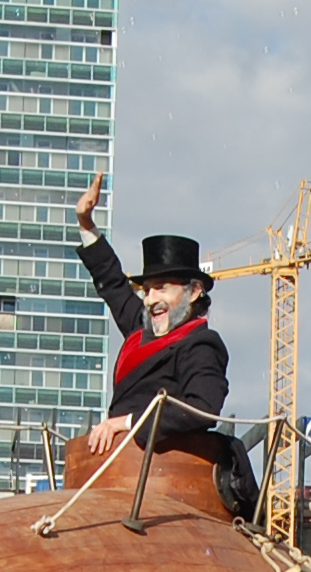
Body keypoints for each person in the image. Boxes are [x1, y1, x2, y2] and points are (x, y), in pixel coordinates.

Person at [74, 174, 258, 509]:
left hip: (165, 480)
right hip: (112, 473)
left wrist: (127, 423)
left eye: (162, 288)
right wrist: (86, 223)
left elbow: (202, 408)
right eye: (146, 290)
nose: (150, 299)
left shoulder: (202, 344)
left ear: (194, 291)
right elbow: (112, 282)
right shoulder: (140, 329)